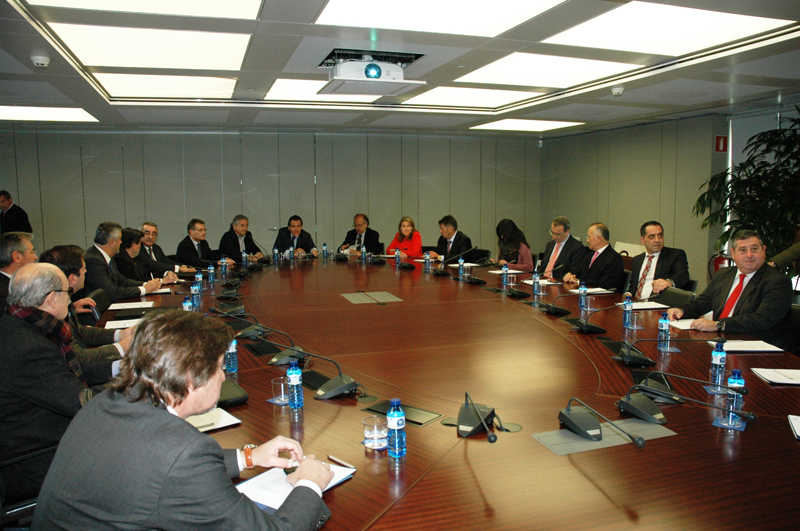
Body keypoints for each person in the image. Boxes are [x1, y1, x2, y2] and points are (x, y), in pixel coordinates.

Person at [33, 310, 332, 529]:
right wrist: (310, 483)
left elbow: (154, 466)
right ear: (191, 380)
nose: (224, 376)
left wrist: (249, 457)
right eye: (219, 368)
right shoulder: (184, 453)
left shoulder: (108, 401)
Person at [0, 263, 94, 505]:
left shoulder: (17, 325)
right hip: (30, 460)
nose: (70, 300)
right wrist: (141, 392)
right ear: (51, 298)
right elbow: (82, 404)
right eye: (67, 293)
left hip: (27, 435)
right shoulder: (30, 348)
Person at [667, 229, 792, 346]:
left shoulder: (777, 281)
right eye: (743, 250)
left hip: (753, 344)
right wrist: (683, 311)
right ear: (733, 253)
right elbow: (703, 302)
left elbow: (762, 319)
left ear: (764, 250)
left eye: (754, 249)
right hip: (719, 340)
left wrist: (719, 325)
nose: (749, 255)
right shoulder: (724, 274)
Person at [40, 245, 136, 386]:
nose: (86, 271)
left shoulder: (63, 300)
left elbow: (80, 331)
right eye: (84, 269)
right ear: (72, 278)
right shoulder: (51, 310)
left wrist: (121, 334)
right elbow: (78, 359)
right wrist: (121, 347)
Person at [83, 222, 162, 302]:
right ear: (112, 242)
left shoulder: (106, 256)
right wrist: (144, 289)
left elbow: (122, 281)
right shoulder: (93, 260)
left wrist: (146, 284)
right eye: (120, 239)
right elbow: (111, 292)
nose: (121, 242)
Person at [624, 221, 690, 298]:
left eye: (660, 236)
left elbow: (683, 275)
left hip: (656, 302)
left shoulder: (675, 255)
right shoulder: (637, 260)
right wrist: (628, 293)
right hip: (634, 302)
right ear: (642, 240)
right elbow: (633, 286)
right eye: (652, 237)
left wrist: (668, 282)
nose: (657, 240)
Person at [563, 222, 625, 291]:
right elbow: (579, 273)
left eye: (589, 237)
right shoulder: (588, 254)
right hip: (582, 293)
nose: (587, 240)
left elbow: (606, 284)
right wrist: (570, 276)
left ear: (599, 238)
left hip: (600, 296)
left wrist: (579, 282)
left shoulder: (614, 258)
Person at [115, 227, 179, 283]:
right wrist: (161, 281)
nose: (140, 246)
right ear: (133, 243)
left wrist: (166, 273)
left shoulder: (136, 258)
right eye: (140, 243)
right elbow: (133, 282)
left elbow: (149, 269)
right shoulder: (121, 261)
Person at [536, 216, 583, 281]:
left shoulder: (577, 247)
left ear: (567, 231)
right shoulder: (550, 244)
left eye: (558, 234)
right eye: (552, 233)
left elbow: (573, 272)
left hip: (558, 283)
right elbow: (542, 266)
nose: (554, 237)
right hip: (542, 280)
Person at [0, 231, 37, 309]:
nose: (36, 257)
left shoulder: (15, 284)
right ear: (17, 257)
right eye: (32, 252)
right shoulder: (5, 295)